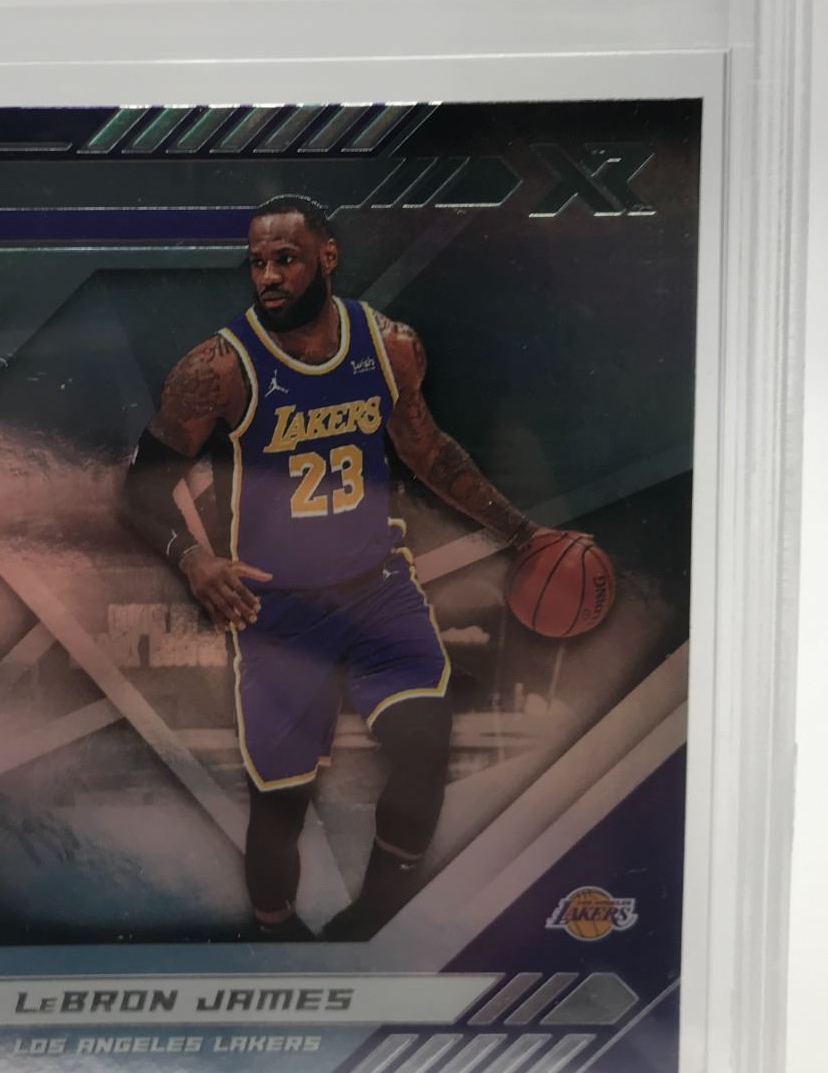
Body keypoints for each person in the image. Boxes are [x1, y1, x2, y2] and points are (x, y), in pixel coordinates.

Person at [122, 195, 542, 939]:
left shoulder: (390, 346)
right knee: (281, 803)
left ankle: (375, 914)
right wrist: (194, 561)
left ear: (327, 256)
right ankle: (275, 929)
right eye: (257, 262)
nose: (268, 276)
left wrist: (522, 532)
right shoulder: (218, 368)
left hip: (377, 589)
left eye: (285, 259)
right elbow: (140, 489)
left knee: (425, 747)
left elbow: (429, 453)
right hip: (278, 610)